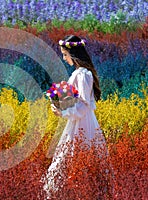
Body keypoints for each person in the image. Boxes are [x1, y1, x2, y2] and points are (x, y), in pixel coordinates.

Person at [42, 35, 114, 199]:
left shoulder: (81, 74)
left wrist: (63, 112)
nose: (64, 58)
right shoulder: (82, 73)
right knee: (78, 157)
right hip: (83, 121)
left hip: (80, 123)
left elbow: (83, 105)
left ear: (73, 55)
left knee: (71, 156)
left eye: (65, 54)